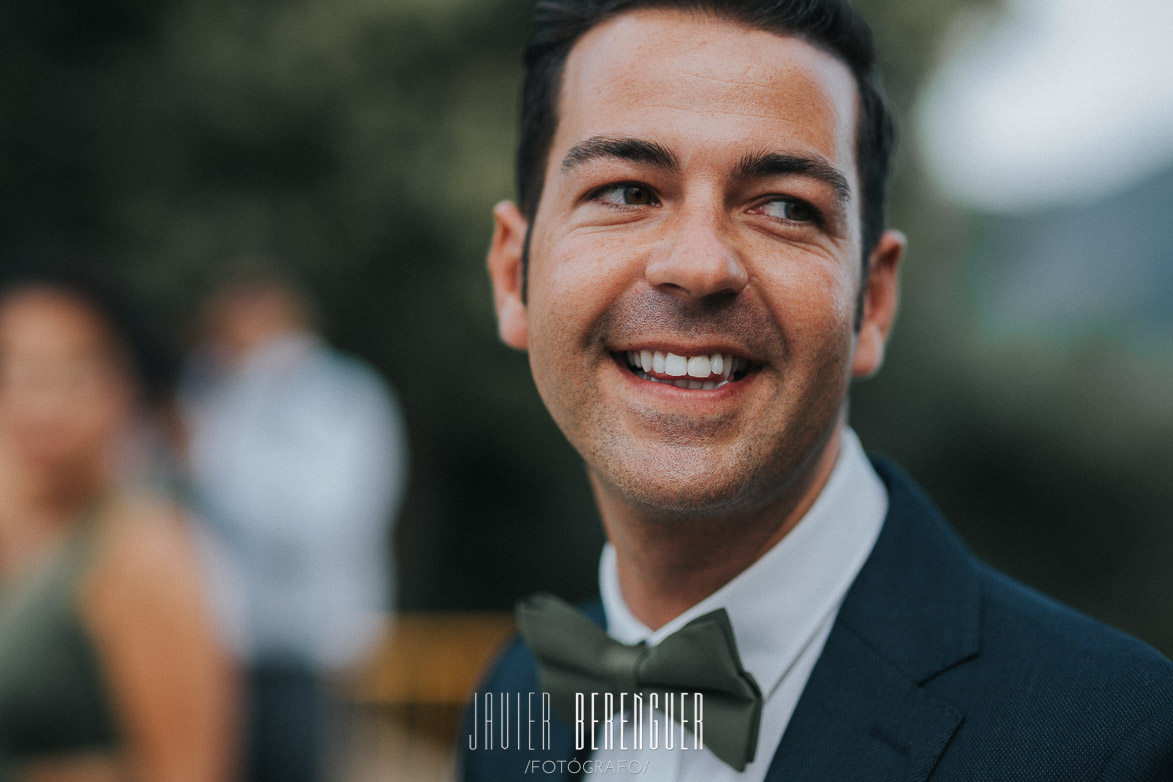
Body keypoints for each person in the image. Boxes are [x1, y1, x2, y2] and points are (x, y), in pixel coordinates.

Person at [459, 1, 1173, 780]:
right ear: (511, 277)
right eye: (627, 191)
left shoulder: (1114, 741)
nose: (698, 265)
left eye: (784, 206)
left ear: (871, 302)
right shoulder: (514, 695)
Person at [0, 271, 238, 782]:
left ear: (123, 387)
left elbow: (188, 768)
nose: (39, 401)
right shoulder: (26, 531)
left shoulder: (141, 550)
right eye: (14, 369)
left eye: (70, 372)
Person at [179, 272, 408, 782]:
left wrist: (210, 450)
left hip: (313, 646)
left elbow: (327, 516)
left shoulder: (343, 397)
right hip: (219, 648)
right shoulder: (205, 395)